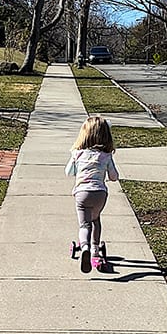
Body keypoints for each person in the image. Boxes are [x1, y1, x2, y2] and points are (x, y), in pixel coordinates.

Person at [65, 115, 120, 273]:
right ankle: (95, 250)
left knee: (84, 224)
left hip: (82, 193)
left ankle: (85, 248)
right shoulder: (106, 156)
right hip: (100, 194)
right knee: (95, 219)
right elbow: (114, 177)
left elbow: (68, 172)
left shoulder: (78, 153)